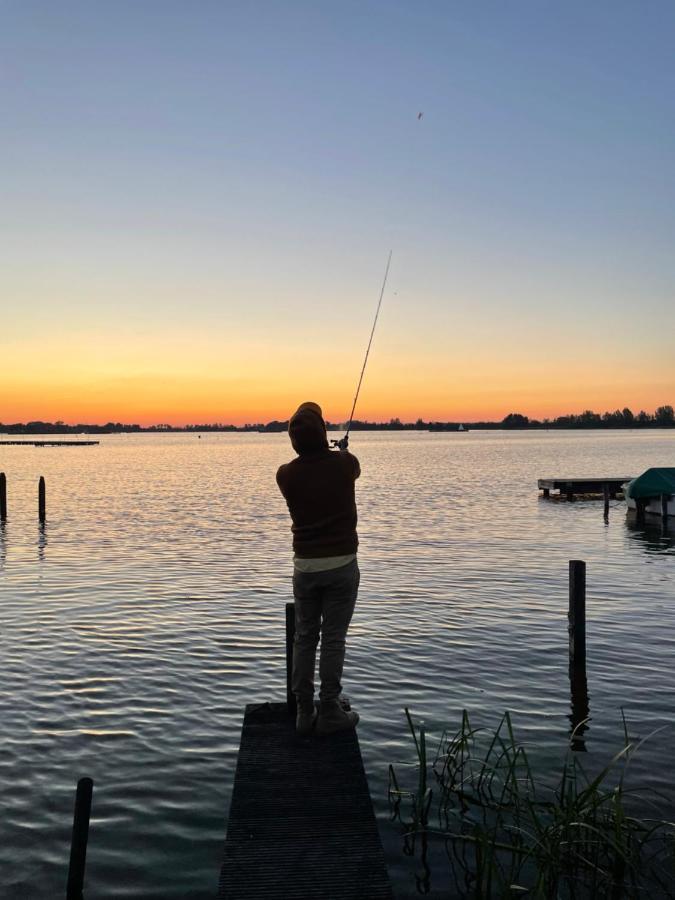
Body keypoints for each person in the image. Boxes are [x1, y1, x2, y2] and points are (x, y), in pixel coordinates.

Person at [276, 402, 361, 736]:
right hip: (341, 564)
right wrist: (338, 450)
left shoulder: (285, 474)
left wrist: (326, 451)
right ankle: (329, 710)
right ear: (323, 433)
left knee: (305, 638)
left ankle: (302, 712)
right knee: (333, 639)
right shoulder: (344, 465)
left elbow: (312, 464)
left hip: (305, 568)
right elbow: (352, 467)